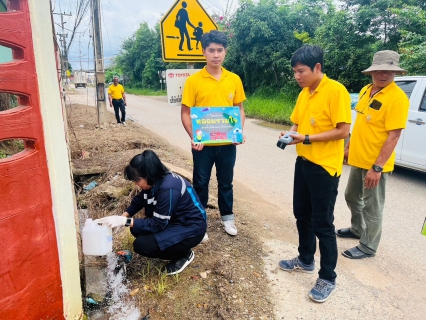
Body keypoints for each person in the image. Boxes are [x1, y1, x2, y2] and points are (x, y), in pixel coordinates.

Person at [277, 45, 351, 303]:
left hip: (325, 168)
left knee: (323, 223)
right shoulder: (305, 93)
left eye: (301, 71)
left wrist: (306, 138)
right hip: (304, 163)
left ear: (317, 68)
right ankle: (306, 258)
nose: (297, 76)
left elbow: (343, 131)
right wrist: (290, 133)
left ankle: (328, 277)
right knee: (302, 215)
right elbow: (297, 122)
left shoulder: (336, 91)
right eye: (295, 72)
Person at [336, 50, 409, 259]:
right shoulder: (366, 90)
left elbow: (393, 136)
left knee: (372, 206)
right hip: (358, 158)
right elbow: (360, 123)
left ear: (395, 73)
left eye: (389, 71)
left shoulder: (397, 99)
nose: (383, 75)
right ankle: (357, 229)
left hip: (376, 164)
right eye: (379, 70)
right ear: (372, 72)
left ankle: (368, 246)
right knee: (351, 196)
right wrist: (348, 147)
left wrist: (377, 168)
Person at [95, 150, 207, 275]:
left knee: (142, 245)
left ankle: (183, 254)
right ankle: (173, 246)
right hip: (174, 221)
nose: (136, 184)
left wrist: (124, 221)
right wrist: (122, 217)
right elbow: (139, 200)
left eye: (137, 180)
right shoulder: (156, 181)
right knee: (136, 229)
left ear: (148, 174)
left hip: (191, 227)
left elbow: (157, 224)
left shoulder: (168, 189)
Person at [181, 30, 246, 236]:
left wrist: (238, 132)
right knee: (200, 183)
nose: (216, 55)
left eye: (220, 50)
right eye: (211, 50)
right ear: (204, 52)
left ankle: (228, 218)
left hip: (227, 144)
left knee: (226, 182)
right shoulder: (194, 81)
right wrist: (194, 137)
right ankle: (200, 222)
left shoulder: (234, 79)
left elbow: (240, 109)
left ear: (225, 52)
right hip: (203, 145)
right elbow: (185, 112)